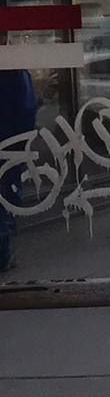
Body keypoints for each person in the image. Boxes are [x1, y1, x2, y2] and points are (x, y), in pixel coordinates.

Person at [0, 49, 39, 267]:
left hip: (10, 140)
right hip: (9, 141)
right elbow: (26, 108)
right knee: (6, 193)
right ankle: (2, 251)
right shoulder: (13, 68)